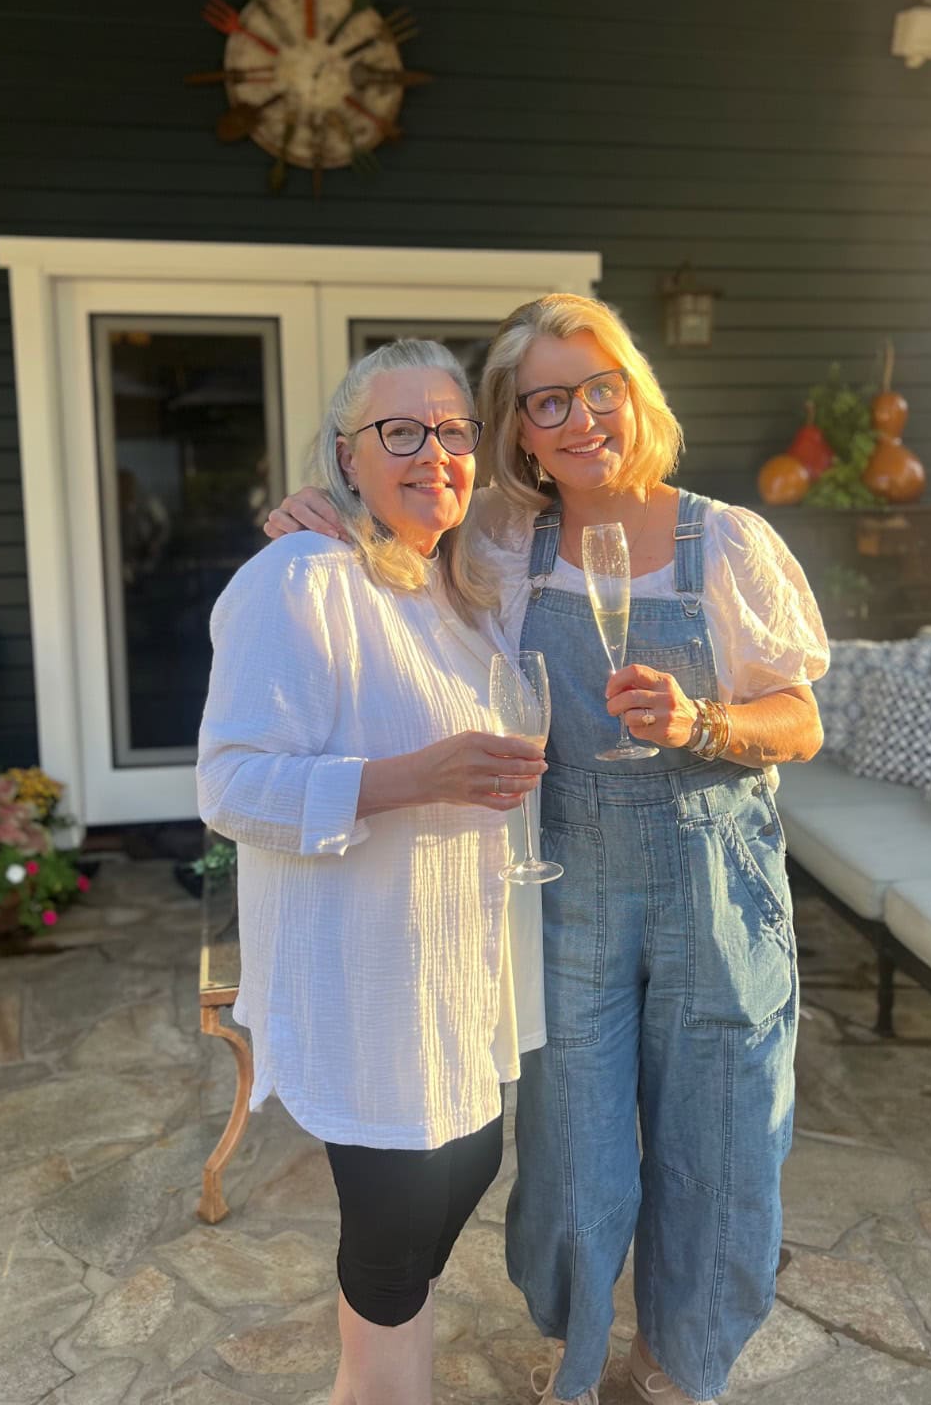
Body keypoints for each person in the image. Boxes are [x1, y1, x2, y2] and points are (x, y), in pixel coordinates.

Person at [266, 296, 828, 1405]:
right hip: (565, 878)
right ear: (519, 427)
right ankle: (576, 1362)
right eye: (548, 401)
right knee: (573, 1154)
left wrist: (703, 722)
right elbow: (397, 534)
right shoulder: (501, 544)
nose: (580, 419)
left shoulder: (731, 541)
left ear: (636, 394)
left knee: (720, 1143)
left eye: (599, 389)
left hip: (715, 880)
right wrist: (319, 507)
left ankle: (675, 1367)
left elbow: (801, 720)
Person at [197, 338, 548, 1405]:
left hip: (463, 962)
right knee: (394, 1229)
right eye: (401, 431)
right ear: (347, 456)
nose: (434, 451)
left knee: (472, 1168)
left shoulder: (465, 590)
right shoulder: (299, 577)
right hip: (367, 974)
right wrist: (409, 777)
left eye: (453, 431)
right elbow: (232, 784)